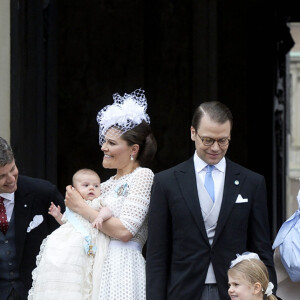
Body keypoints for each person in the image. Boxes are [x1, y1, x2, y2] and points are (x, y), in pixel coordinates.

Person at [146, 101, 277, 300]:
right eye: (207, 140)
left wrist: (269, 294)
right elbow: (157, 253)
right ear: (192, 133)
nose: (215, 148)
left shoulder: (252, 182)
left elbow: (261, 247)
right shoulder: (166, 182)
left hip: (237, 292)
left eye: (223, 140)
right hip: (183, 289)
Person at [65, 89, 157, 300]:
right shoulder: (103, 186)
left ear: (133, 149)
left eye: (112, 143)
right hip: (97, 263)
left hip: (123, 266)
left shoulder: (142, 176)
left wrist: (80, 207)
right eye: (105, 141)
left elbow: (125, 231)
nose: (103, 147)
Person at [28, 168, 111, 300]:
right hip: (72, 245)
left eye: (96, 185)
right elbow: (66, 223)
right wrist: (57, 215)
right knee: (66, 265)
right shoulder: (73, 207)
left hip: (90, 244)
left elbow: (108, 211)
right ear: (75, 190)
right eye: (86, 185)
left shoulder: (97, 202)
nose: (92, 188)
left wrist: (100, 217)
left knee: (88, 274)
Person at [0, 136, 65, 300]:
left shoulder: (43, 193)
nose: (11, 179)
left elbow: (68, 240)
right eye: (1, 176)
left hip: (38, 292)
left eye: (13, 169)